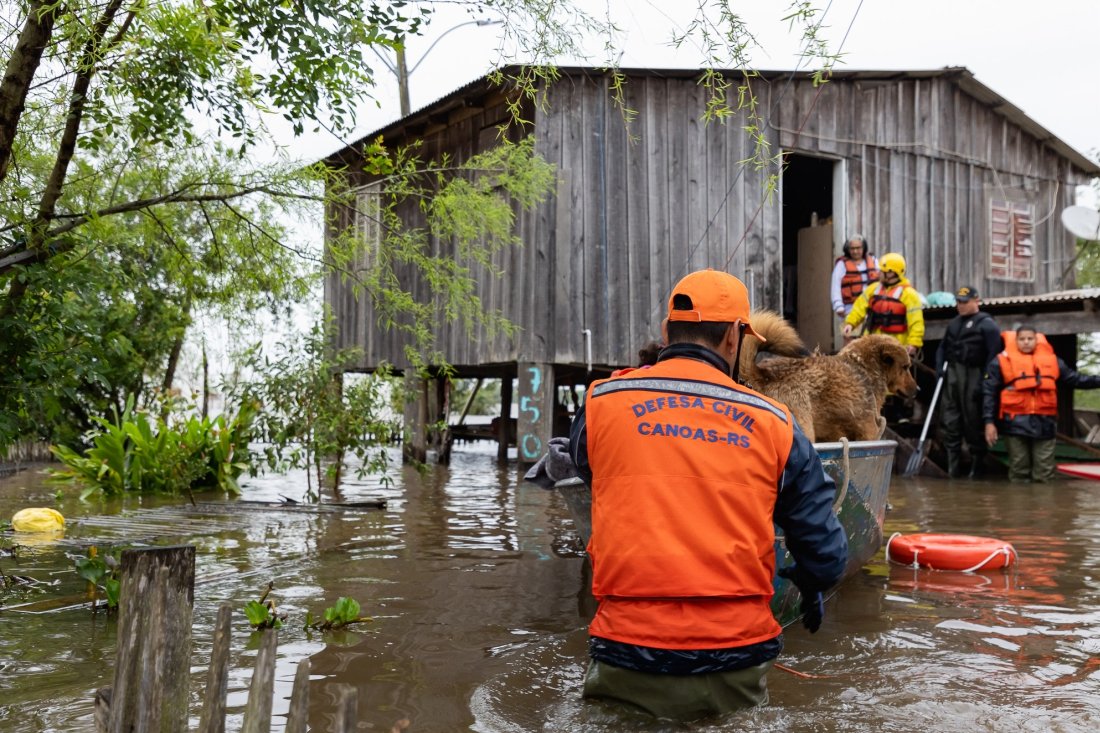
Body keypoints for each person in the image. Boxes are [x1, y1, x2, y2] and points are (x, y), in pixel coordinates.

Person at [568, 268, 848, 721]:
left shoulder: (603, 402)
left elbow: (589, 467)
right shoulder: (777, 424)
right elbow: (827, 553)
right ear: (735, 340)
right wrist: (813, 582)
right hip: (734, 657)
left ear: (666, 332)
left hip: (625, 652)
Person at [983, 326, 1100, 483]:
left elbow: (1076, 379)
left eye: (1030, 339)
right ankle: (1017, 506)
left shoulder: (1053, 361)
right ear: (1016, 340)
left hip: (1045, 423)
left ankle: (1042, 506)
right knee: (1019, 469)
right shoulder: (1001, 361)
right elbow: (988, 393)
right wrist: (989, 422)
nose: (1026, 342)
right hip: (1014, 423)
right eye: (1022, 339)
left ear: (1036, 340)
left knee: (1044, 473)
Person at [935, 286, 1002, 478]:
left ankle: (977, 466)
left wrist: (985, 382)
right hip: (954, 374)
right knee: (950, 419)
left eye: (964, 302)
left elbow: (994, 356)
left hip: (975, 374)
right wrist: (939, 369)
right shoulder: (954, 323)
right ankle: (952, 467)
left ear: (976, 301)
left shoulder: (987, 325)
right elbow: (942, 348)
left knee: (973, 420)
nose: (960, 306)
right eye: (958, 302)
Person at [841, 252, 924, 356]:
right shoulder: (873, 289)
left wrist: (914, 343)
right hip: (872, 343)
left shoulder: (909, 294)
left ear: (891, 273)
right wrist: (850, 323)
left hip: (896, 345)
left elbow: (916, 322)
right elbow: (859, 308)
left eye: (881, 271)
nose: (878, 273)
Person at [830, 235, 878, 318]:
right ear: (848, 250)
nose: (855, 251)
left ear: (863, 248)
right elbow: (835, 287)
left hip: (871, 308)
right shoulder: (842, 265)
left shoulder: (873, 261)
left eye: (858, 248)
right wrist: (838, 306)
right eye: (852, 249)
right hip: (850, 309)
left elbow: (882, 282)